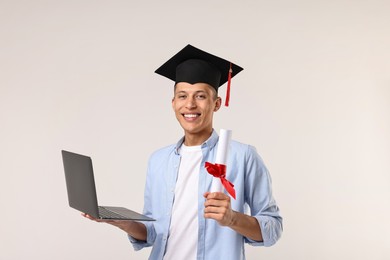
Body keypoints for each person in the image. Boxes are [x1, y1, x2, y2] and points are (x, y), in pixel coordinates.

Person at [84, 44, 283, 259]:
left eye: (200, 96)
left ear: (216, 104)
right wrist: (121, 221)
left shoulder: (243, 156)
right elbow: (152, 233)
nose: (189, 104)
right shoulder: (158, 160)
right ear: (173, 103)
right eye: (182, 96)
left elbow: (273, 228)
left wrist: (232, 218)